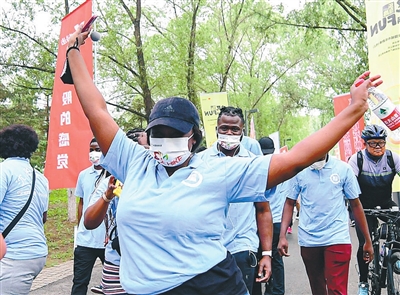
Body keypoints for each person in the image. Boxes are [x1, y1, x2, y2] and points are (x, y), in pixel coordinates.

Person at [66, 23, 380, 295]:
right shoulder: (132, 162)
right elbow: (97, 110)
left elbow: (295, 159)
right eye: (158, 133)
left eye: (175, 133)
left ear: (194, 137)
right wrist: (74, 53)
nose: (166, 140)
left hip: (209, 284)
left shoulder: (220, 169)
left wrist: (354, 109)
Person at [198, 106, 273, 293]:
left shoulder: (253, 164)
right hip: (209, 250)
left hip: (243, 248)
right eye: (224, 128)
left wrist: (266, 254)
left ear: (242, 132)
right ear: (216, 129)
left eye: (234, 129)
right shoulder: (200, 162)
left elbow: (263, 210)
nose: (229, 133)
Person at [278, 154, 373, 295]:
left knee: (337, 290)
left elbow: (356, 204)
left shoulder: (343, 169)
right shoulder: (299, 171)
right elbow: (289, 202)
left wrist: (367, 240)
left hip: (337, 238)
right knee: (318, 289)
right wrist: (282, 236)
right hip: (309, 240)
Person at [84, 129, 149, 295]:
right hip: (117, 265)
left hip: (152, 265)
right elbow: (89, 221)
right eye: (142, 150)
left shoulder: (162, 180)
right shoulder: (110, 182)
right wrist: (107, 197)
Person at [347, 124, 400, 295]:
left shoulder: (393, 158)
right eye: (373, 143)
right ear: (365, 144)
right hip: (362, 206)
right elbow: (349, 187)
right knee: (365, 244)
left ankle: (394, 254)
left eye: (381, 143)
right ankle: (363, 282)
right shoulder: (357, 160)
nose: (378, 147)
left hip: (385, 202)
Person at [0, 124, 49, 295]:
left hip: (13, 255)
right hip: (36, 252)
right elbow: (43, 217)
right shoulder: (41, 178)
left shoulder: (3, 171)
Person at [71, 138, 106, 295]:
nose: (94, 153)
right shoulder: (83, 175)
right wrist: (80, 228)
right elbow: (81, 202)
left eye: (98, 149)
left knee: (116, 284)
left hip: (108, 242)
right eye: (91, 149)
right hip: (86, 241)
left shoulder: (116, 174)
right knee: (79, 282)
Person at [256, 136, 286, 295]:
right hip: (277, 220)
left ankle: (266, 286)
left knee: (261, 254)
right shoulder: (281, 167)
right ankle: (278, 290)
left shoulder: (258, 167)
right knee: (276, 257)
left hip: (263, 221)